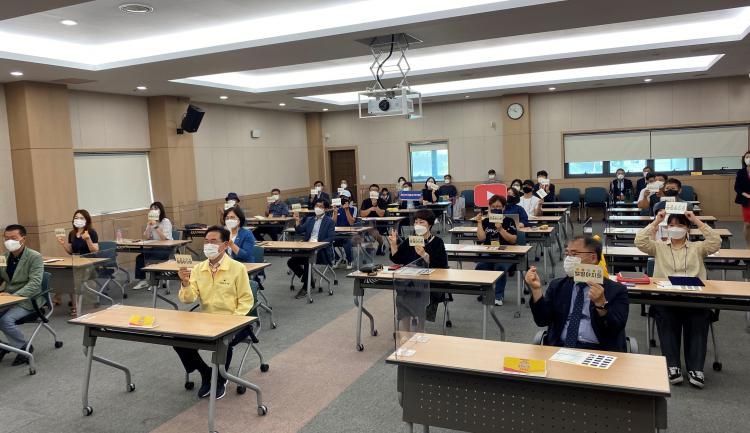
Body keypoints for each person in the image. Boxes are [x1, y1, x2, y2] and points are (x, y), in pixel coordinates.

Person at [635, 210, 720, 388]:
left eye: (680, 225)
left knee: (698, 320)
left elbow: (716, 242)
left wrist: (696, 220)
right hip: (667, 298)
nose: (675, 228)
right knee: (666, 318)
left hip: (694, 298)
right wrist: (656, 222)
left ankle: (696, 368)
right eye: (671, 225)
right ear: (666, 228)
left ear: (688, 229)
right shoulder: (658, 247)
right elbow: (639, 241)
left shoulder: (698, 248)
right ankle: (672, 365)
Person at [176, 226, 254, 400]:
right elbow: (188, 299)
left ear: (225, 245)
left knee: (224, 341)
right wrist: (186, 283)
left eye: (213, 241)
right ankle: (206, 373)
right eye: (206, 241)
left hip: (234, 321)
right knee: (178, 340)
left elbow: (246, 300)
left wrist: (232, 322)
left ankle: (220, 379)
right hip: (207, 321)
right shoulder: (198, 268)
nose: (208, 245)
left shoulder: (237, 268)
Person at [525, 235, 629, 352]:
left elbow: (615, 330)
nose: (569, 259)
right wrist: (536, 290)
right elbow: (542, 320)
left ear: (593, 258)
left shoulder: (616, 290)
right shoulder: (558, 286)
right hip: (561, 348)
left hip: (599, 350)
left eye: (574, 254)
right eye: (567, 254)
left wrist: (601, 305)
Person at [388, 209, 448, 329]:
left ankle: (421, 329)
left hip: (429, 282)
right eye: (416, 222)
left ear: (429, 224)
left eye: (422, 222)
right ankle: (406, 332)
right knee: (402, 295)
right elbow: (397, 259)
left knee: (420, 296)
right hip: (410, 281)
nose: (418, 225)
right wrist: (393, 245)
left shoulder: (437, 242)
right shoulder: (410, 240)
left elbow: (442, 266)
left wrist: (424, 255)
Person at [0, 224, 44, 366]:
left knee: (5, 320)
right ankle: (2, 346)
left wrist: (13, 296)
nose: (9, 241)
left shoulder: (34, 256)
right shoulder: (3, 257)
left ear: (23, 239)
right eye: (6, 238)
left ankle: (24, 348)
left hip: (29, 299)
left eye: (13, 238)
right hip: (8, 298)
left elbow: (35, 284)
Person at [475, 195, 517, 306]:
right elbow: (481, 238)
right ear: (489, 208)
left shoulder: (509, 221)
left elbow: (513, 240)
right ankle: (485, 292)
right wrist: (479, 223)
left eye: (498, 206)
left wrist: (500, 229)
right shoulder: (485, 221)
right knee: (481, 266)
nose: (496, 208)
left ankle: (499, 295)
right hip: (490, 252)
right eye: (493, 206)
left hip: (506, 253)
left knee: (500, 267)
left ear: (503, 208)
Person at [288, 200, 335, 299]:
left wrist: (317, 245)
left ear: (325, 209)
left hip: (321, 251)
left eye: (321, 206)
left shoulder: (329, 221)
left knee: (307, 260)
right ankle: (309, 280)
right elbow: (300, 230)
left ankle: (306, 287)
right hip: (307, 248)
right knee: (291, 262)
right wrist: (297, 220)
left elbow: (330, 239)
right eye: (316, 206)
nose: (318, 208)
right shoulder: (310, 220)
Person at [56, 209, 100, 315]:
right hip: (76, 263)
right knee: (64, 274)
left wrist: (88, 239)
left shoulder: (91, 232)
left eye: (81, 218)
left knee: (73, 277)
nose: (78, 220)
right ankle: (72, 303)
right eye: (76, 218)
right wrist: (63, 244)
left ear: (86, 220)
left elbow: (95, 250)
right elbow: (71, 251)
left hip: (89, 263)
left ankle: (70, 302)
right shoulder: (72, 233)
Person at [132, 202, 173, 290]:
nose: (153, 210)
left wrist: (155, 226)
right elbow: (147, 237)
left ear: (160, 210)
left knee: (154, 257)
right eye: (151, 209)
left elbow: (165, 239)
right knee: (140, 258)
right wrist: (148, 226)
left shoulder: (165, 221)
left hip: (166, 247)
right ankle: (142, 281)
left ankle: (155, 281)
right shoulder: (152, 222)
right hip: (155, 247)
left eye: (156, 208)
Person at [361, 184, 388, 255]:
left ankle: (379, 244)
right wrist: (370, 209)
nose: (373, 192)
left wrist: (375, 205)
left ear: (378, 192)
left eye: (375, 190)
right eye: (372, 190)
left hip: (381, 224)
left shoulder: (382, 201)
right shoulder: (365, 201)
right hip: (368, 223)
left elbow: (381, 214)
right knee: (368, 227)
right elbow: (362, 214)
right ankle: (380, 244)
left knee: (372, 229)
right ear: (369, 191)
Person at [332, 196, 357, 269]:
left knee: (346, 243)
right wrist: (335, 212)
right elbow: (333, 223)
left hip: (349, 234)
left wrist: (347, 210)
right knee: (328, 242)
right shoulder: (337, 209)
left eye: (346, 200)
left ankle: (349, 260)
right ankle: (337, 258)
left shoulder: (353, 208)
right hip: (338, 233)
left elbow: (351, 222)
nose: (344, 202)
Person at [733, 150, 750, 248]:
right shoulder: (741, 172)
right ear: (744, 159)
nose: (748, 159)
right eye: (747, 157)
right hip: (746, 201)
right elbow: (737, 187)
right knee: (747, 224)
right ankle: (748, 246)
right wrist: (746, 195)